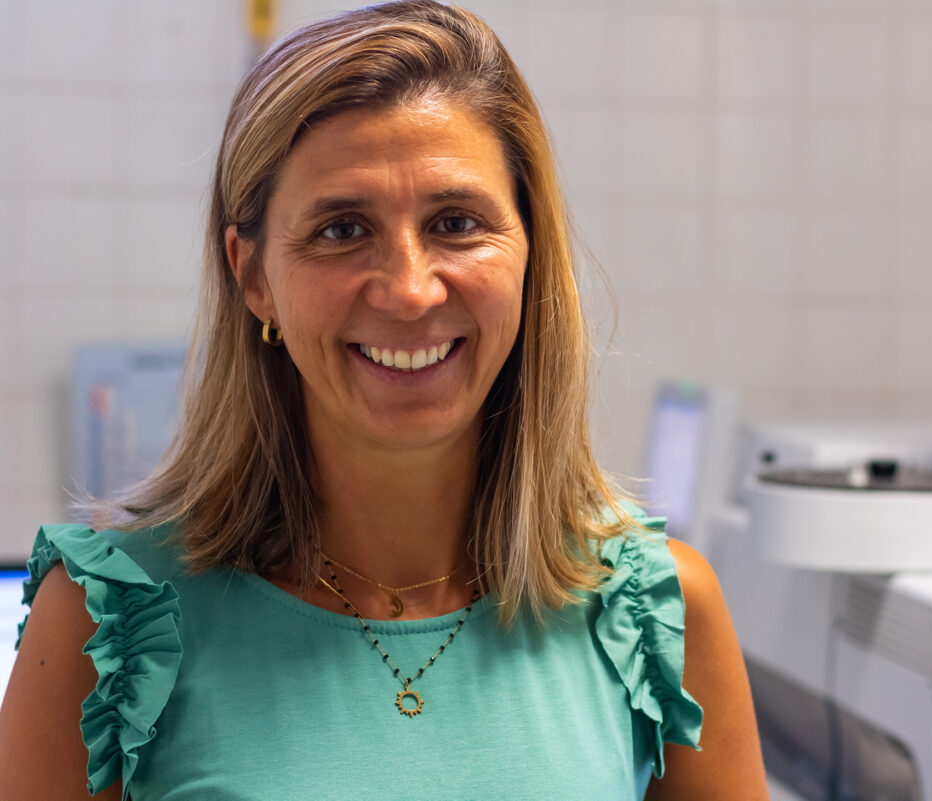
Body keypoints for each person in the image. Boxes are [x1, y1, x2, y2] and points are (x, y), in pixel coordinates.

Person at [0, 2, 768, 798]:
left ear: (530, 248)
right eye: (342, 229)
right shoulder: (103, 626)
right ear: (253, 275)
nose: (409, 290)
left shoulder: (658, 615)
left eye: (456, 222)